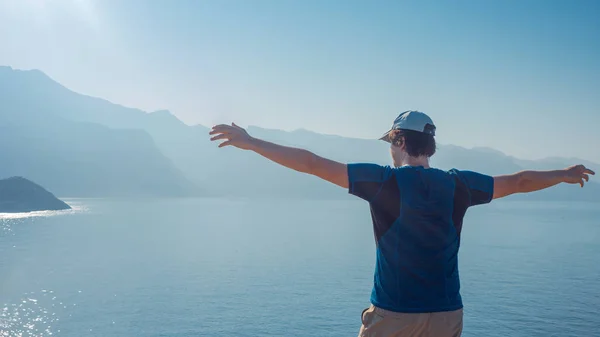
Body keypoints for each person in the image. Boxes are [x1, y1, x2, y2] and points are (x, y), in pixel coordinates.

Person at [208, 111, 595, 337]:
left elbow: (310, 163)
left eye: (390, 142)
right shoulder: (460, 184)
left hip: (393, 315)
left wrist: (252, 141)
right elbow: (521, 181)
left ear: (400, 143)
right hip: (447, 315)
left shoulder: (384, 182)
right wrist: (563, 173)